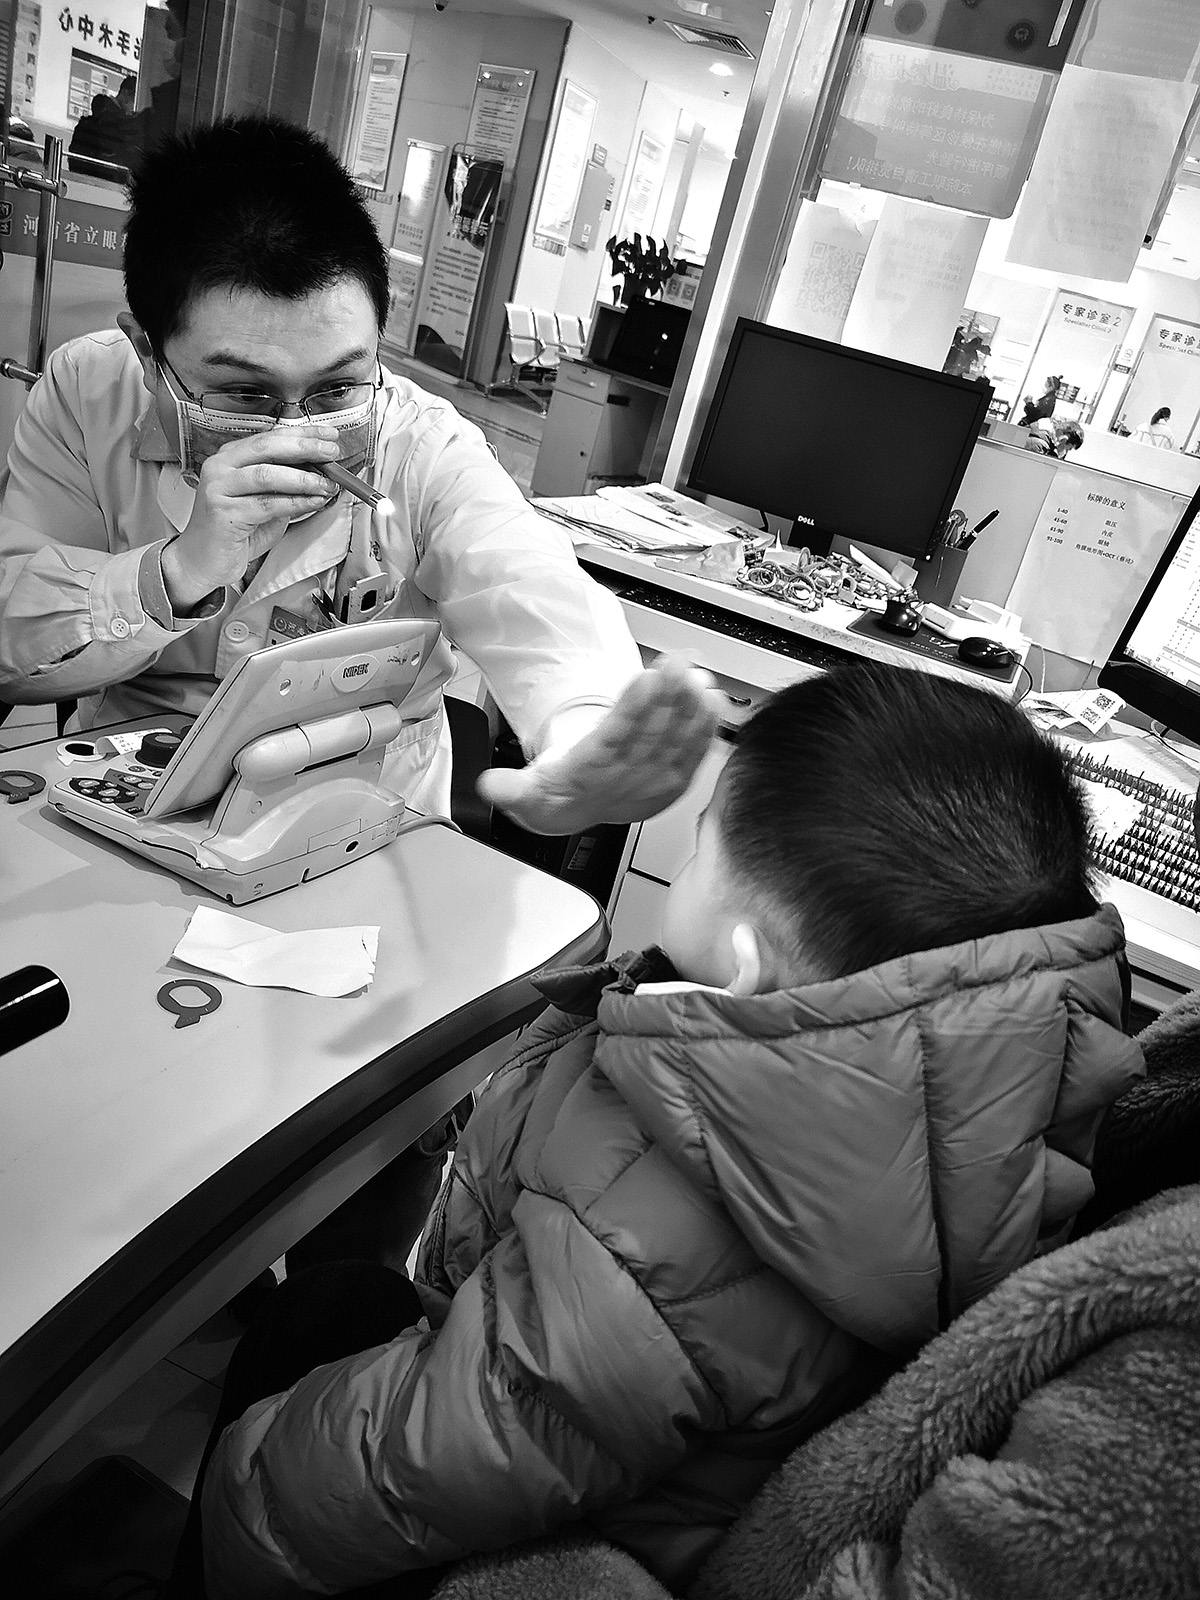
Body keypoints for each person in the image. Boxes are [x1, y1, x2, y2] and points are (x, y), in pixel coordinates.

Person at [196, 663, 1142, 1599]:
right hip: (587, 1413)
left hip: (552, 1507)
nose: (683, 869)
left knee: (307, 1338)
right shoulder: (984, 1095)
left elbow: (443, 1451)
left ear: (744, 966)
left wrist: (241, 1500)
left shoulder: (665, 1241)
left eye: (696, 853)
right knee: (341, 1303)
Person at [0, 116, 719, 840]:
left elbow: (527, 584)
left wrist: (582, 731)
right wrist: (177, 572)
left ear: (378, 334)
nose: (296, 433)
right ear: (146, 351)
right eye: (244, 394)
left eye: (338, 387)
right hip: (122, 784)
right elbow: (10, 642)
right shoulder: (89, 393)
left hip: (359, 807)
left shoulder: (421, 443)